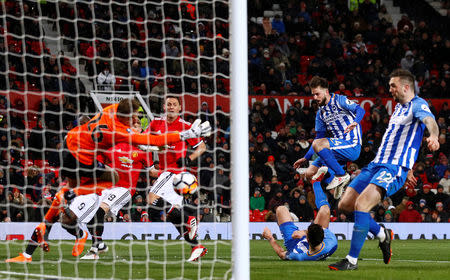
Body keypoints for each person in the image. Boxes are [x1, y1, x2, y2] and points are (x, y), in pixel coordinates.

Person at [329, 69, 440, 270]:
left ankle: (351, 260)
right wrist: (411, 168)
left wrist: (433, 136)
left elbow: (430, 121)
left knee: (362, 204)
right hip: (376, 164)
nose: (390, 89)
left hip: (394, 167)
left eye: (393, 85)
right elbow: (407, 141)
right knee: (345, 205)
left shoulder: (418, 105)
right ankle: (382, 234)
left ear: (406, 87)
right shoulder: (398, 108)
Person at [5, 142, 155, 262]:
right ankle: (88, 239)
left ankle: (94, 247)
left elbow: (101, 176)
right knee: (61, 219)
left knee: (92, 213)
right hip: (82, 191)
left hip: (100, 192)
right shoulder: (98, 153)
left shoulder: (101, 159)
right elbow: (62, 173)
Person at [61, 98, 210, 190]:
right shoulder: (125, 132)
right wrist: (186, 135)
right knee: (105, 181)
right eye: (133, 117)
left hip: (71, 144)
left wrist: (187, 158)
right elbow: (152, 140)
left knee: (71, 188)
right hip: (82, 158)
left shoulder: (110, 110)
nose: (135, 120)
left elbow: (147, 143)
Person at [146, 95, 208, 262]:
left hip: (175, 173)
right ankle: (196, 246)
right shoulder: (156, 123)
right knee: (170, 216)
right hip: (165, 173)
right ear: (164, 107)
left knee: (152, 199)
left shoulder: (186, 127)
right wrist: (151, 164)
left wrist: (189, 159)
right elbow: (143, 141)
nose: (171, 106)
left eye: (174, 104)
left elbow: (202, 147)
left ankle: (189, 218)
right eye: (168, 104)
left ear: (180, 108)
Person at [293, 76, 365, 199]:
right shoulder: (320, 113)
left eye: (317, 94)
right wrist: (305, 158)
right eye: (313, 95)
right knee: (309, 173)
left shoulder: (339, 100)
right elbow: (318, 139)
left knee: (318, 144)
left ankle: (341, 174)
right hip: (338, 148)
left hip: (352, 144)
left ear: (326, 91)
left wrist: (355, 122)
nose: (315, 98)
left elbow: (360, 110)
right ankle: (337, 182)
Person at [262, 167, 337, 261]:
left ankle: (317, 182)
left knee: (281, 209)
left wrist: (270, 238)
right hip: (312, 238)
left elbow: (282, 254)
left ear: (307, 239)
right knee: (325, 210)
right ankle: (316, 182)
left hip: (292, 241)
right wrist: (303, 232)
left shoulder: (299, 256)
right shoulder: (331, 242)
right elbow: (322, 230)